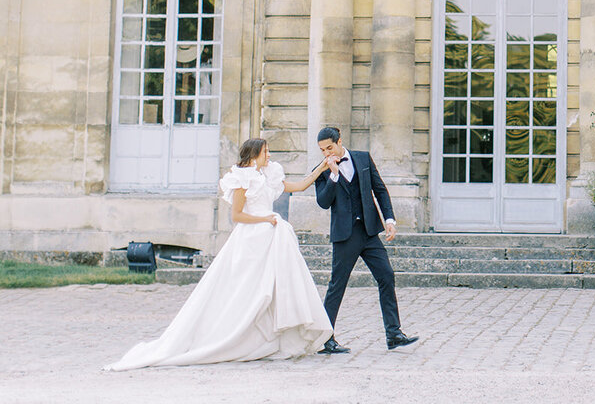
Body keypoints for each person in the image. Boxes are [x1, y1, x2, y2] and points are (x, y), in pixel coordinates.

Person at [106, 139, 332, 370]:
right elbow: (237, 215)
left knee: (274, 288)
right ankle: (236, 334)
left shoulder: (268, 174)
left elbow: (299, 186)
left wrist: (321, 169)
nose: (270, 155)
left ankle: (270, 337)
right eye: (266, 151)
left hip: (270, 236)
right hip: (252, 239)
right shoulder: (242, 178)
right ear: (254, 154)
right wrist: (265, 219)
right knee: (248, 290)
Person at [314, 125, 418, 354]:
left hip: (369, 232)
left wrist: (389, 219)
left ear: (339, 141)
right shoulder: (322, 170)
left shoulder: (363, 159)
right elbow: (322, 202)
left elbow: (380, 189)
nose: (326, 153)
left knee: (387, 276)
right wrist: (332, 174)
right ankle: (327, 339)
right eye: (322, 150)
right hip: (344, 235)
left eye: (329, 147)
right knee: (337, 286)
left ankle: (394, 333)